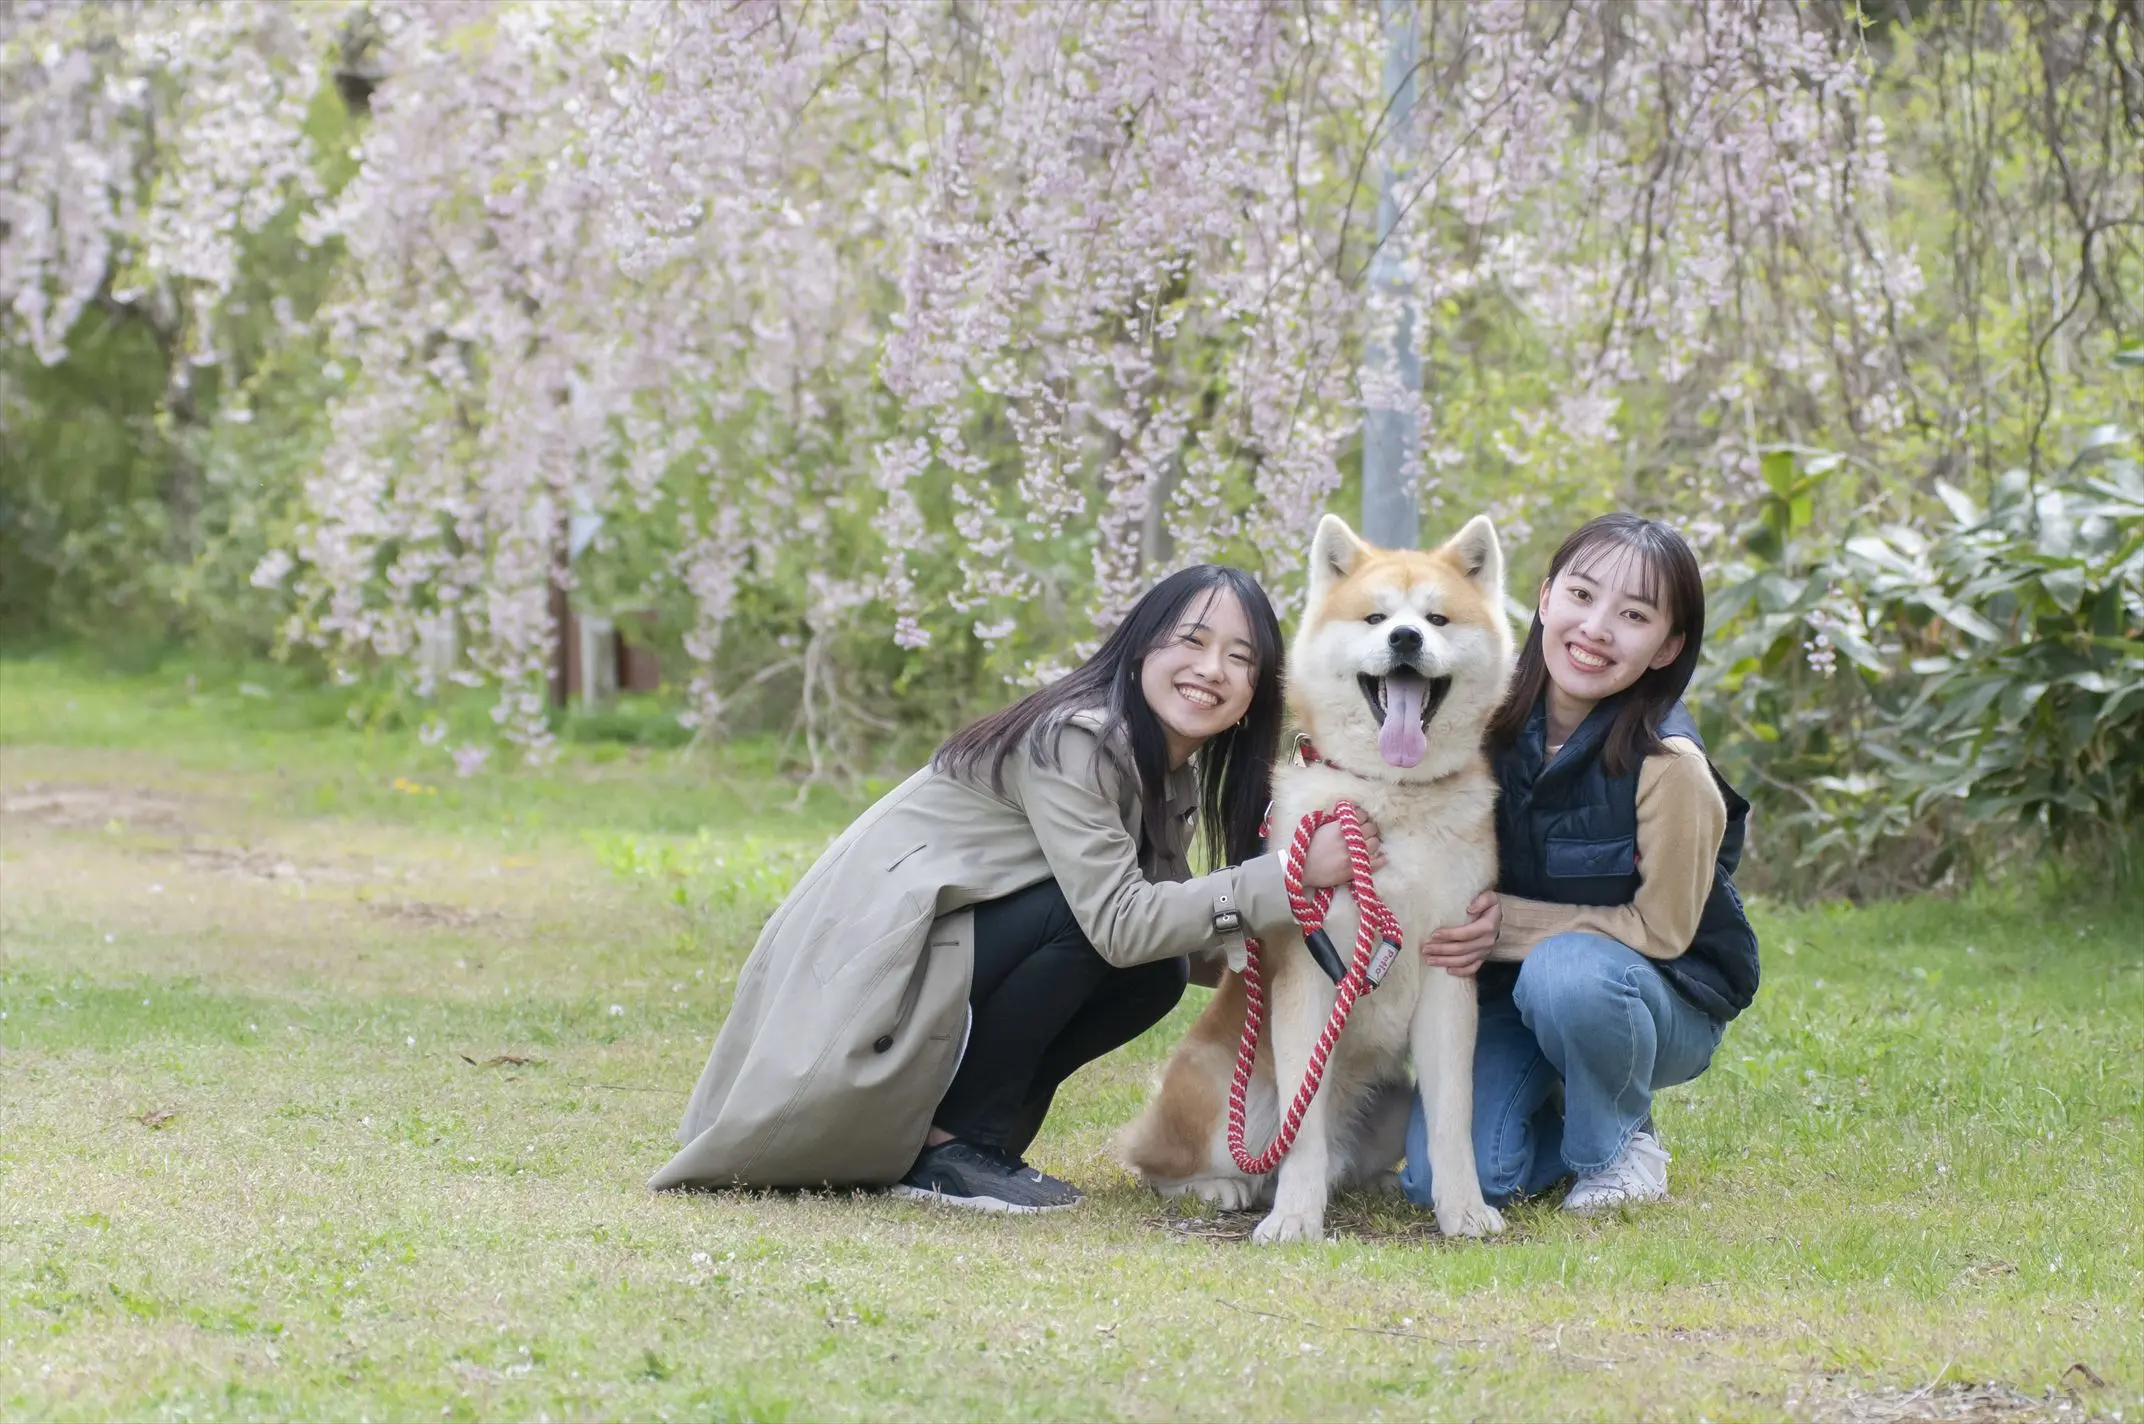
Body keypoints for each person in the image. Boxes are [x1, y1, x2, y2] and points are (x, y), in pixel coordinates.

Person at [649, 566, 1381, 1214]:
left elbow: (1178, 931)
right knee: (1114, 941)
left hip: (925, 964)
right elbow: (1123, 924)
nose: (1211, 668)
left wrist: (1319, 953)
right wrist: (1289, 876)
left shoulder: (1163, 772)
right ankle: (952, 1145)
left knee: (1151, 968)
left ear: (1257, 694)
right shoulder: (1079, 739)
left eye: (1240, 657)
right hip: (857, 989)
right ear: (1140, 649)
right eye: (1189, 641)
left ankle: (966, 1140)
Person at [1399, 513, 1759, 1214]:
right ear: (1543, 599)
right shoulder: (1476, 715)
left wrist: (1508, 925)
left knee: (1566, 973)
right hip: (1509, 997)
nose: (1596, 629)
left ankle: (1621, 1145)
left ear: (1666, 647)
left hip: (1648, 996)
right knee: (1440, 1181)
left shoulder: (1672, 766)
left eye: (1634, 615)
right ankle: (1566, 1098)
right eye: (1583, 596)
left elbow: (1662, 931)